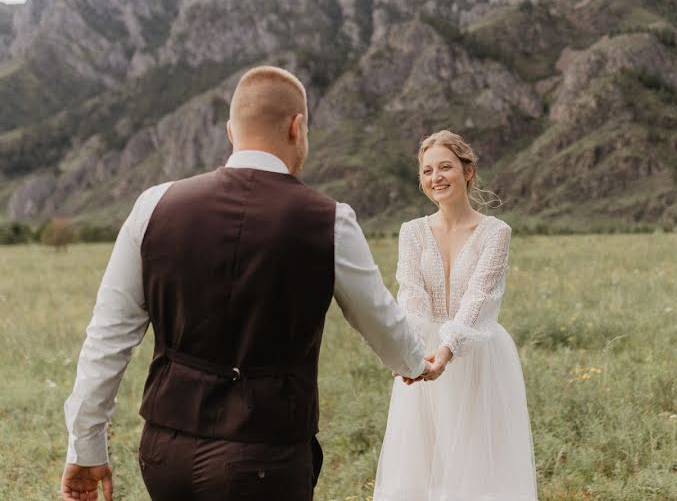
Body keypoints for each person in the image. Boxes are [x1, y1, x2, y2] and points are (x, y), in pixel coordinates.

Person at [60, 66, 440, 501]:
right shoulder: (330, 220)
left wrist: (86, 446)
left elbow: (107, 336)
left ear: (230, 131)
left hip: (167, 455)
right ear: (297, 128)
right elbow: (378, 316)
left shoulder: (153, 205)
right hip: (266, 456)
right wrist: (415, 363)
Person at [374, 130, 538, 500]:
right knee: (419, 462)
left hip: (477, 355)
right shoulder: (412, 232)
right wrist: (411, 353)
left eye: (445, 167)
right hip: (423, 356)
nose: (436, 178)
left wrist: (446, 351)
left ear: (468, 171)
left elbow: (480, 298)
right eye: (427, 170)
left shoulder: (496, 232)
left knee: (478, 468)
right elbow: (410, 296)